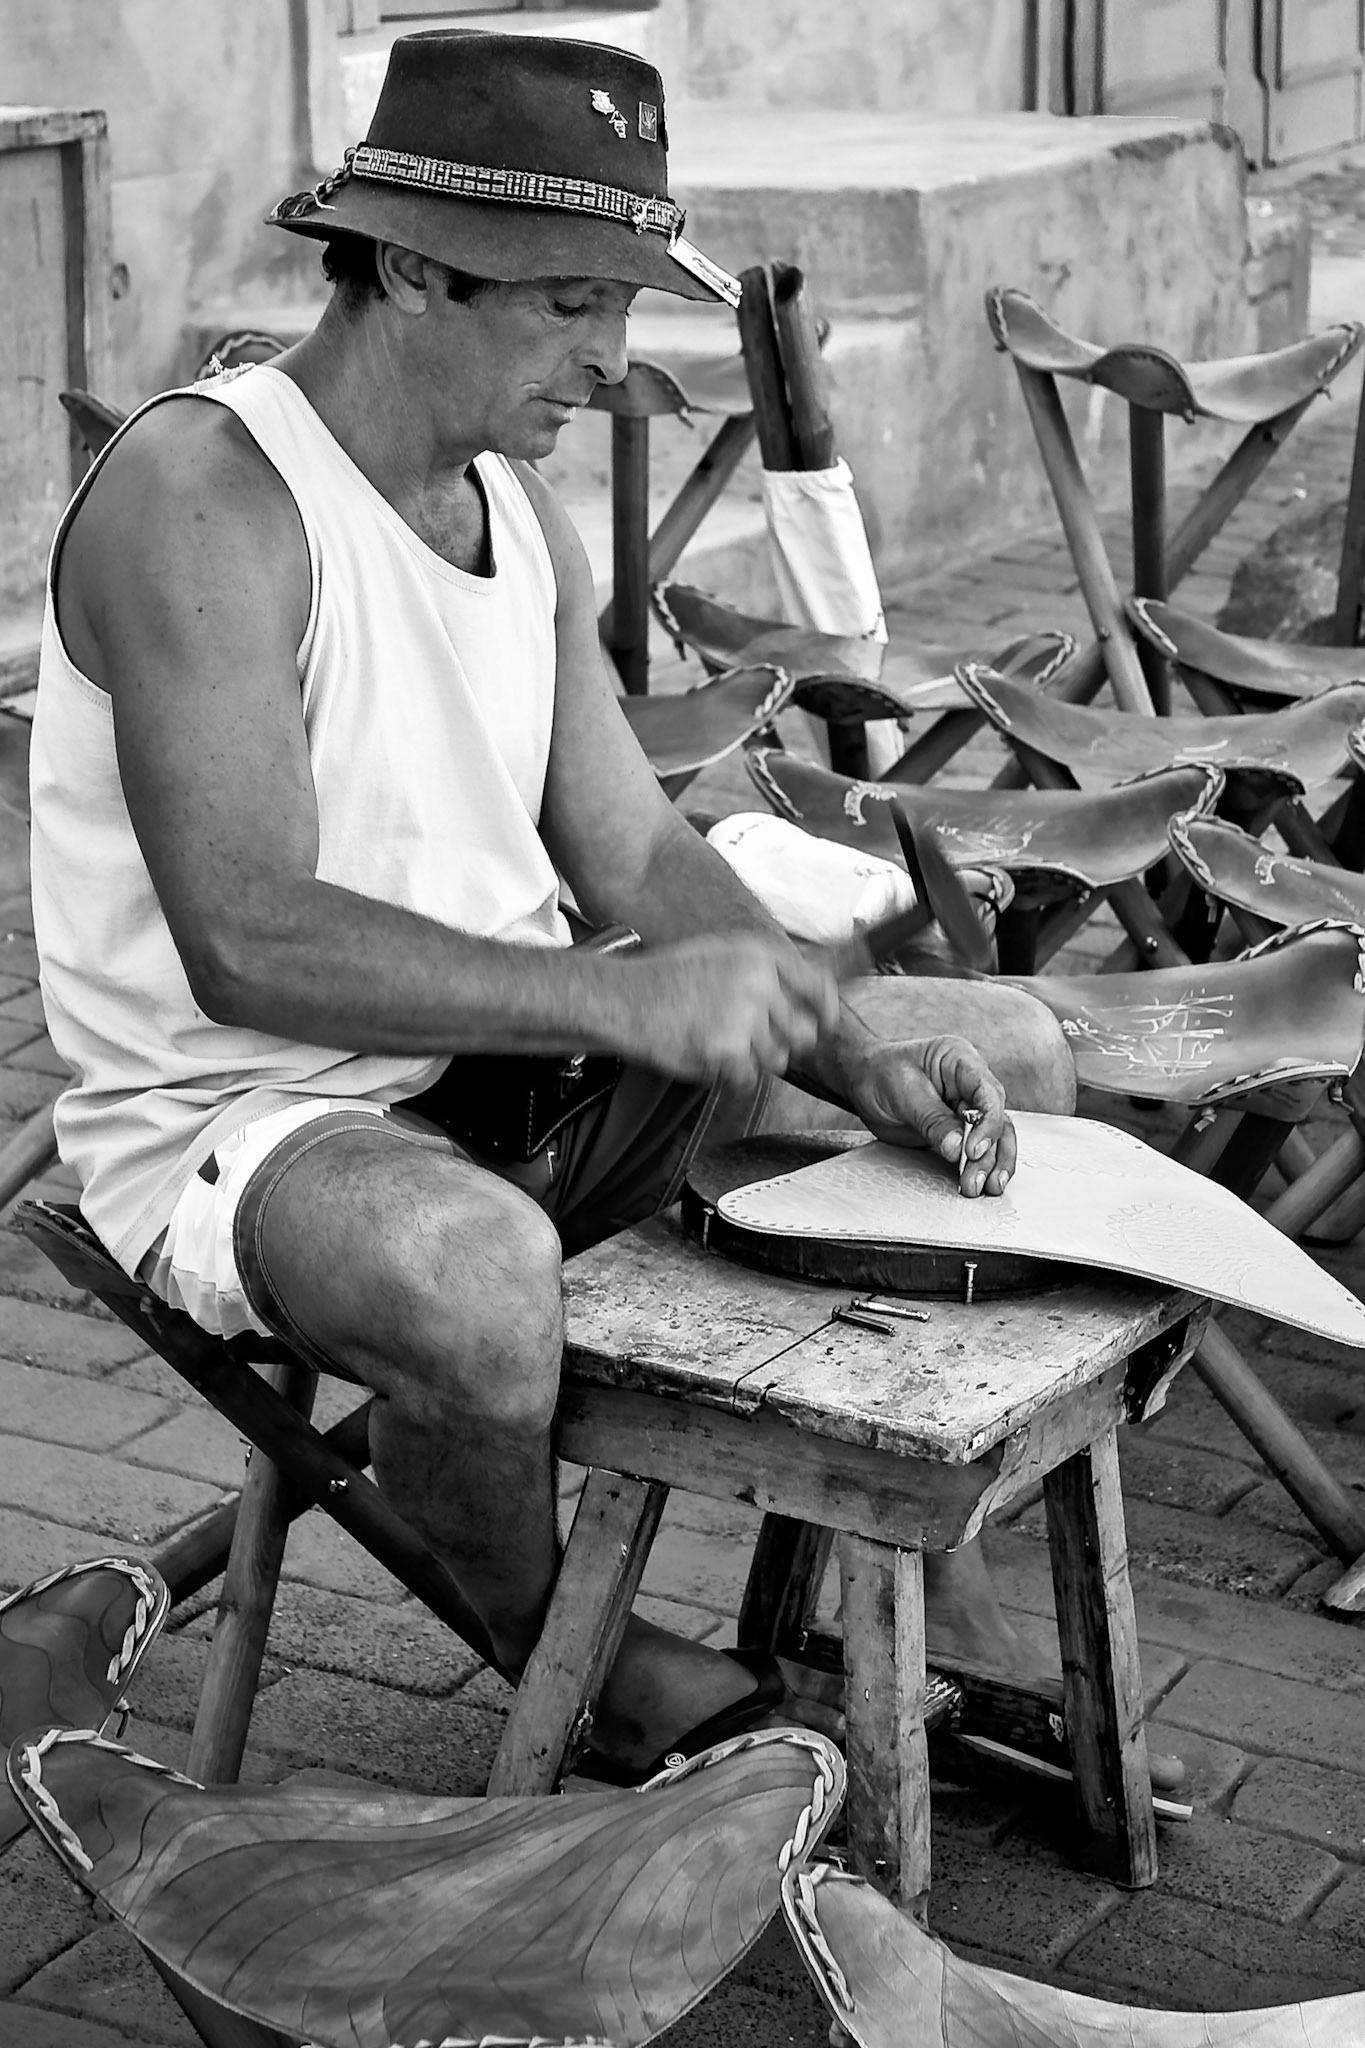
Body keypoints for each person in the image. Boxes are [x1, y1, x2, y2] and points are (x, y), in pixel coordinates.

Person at [30, 28, 1095, 1781]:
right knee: (470, 1272)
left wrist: (841, 1046)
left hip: (515, 1069)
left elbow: (634, 861)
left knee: (997, 1044)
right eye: (571, 308)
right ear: (409, 269)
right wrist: (617, 1002)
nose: (612, 364)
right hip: (255, 1117)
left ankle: (925, 1596)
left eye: (625, 306)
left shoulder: (513, 512)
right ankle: (547, 1647)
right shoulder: (205, 494)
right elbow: (249, 933)